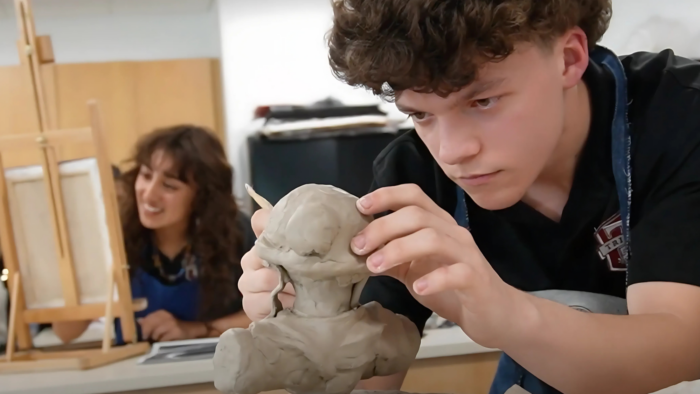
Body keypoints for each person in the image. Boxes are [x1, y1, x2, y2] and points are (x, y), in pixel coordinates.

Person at [239, 1, 700, 394]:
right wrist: (306, 325)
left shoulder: (681, 116)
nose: (452, 152)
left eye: (483, 102)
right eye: (421, 114)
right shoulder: (413, 176)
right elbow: (366, 375)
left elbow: (679, 344)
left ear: (568, 57)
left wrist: (499, 312)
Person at [54, 125, 255, 344]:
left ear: (202, 196)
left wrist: (195, 329)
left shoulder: (236, 233)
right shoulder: (114, 233)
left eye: (169, 186)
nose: (149, 195)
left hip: (215, 367)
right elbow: (64, 331)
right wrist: (90, 264)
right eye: (146, 175)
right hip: (133, 369)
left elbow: (272, 314)